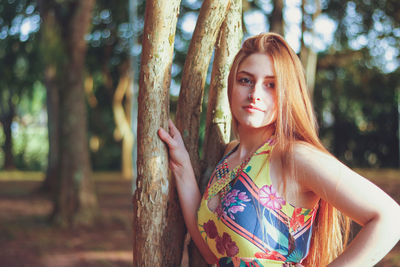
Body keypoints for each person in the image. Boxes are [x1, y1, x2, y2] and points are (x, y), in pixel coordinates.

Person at [158, 33, 400, 266]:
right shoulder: (228, 156)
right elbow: (212, 253)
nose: (255, 94)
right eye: (245, 80)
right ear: (231, 85)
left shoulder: (295, 156)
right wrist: (182, 167)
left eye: (271, 85)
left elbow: (390, 219)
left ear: (287, 94)